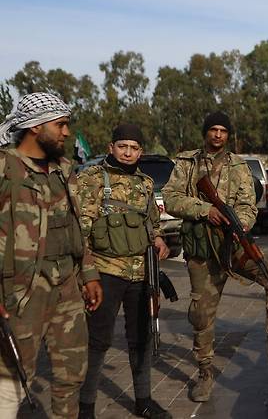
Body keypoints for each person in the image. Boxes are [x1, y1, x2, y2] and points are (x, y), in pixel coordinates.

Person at [162, 111, 268, 403]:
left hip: (232, 247)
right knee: (202, 315)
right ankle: (205, 373)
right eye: (213, 129)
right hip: (203, 252)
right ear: (205, 132)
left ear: (228, 135)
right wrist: (206, 210)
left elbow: (249, 203)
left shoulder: (240, 166)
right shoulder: (187, 163)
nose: (218, 135)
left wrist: (242, 223)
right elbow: (171, 198)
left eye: (223, 130)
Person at [0, 93, 103, 418]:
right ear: (35, 127)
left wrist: (89, 275)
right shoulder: (5, 168)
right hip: (20, 293)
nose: (66, 133)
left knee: (72, 375)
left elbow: (75, 226)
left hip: (67, 288)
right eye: (60, 125)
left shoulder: (63, 170)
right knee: (12, 380)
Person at [76, 124, 171, 419]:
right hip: (105, 272)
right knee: (98, 340)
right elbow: (80, 232)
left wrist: (158, 239)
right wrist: (87, 274)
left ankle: (143, 400)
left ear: (140, 151)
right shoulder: (91, 179)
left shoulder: (144, 183)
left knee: (140, 338)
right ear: (111, 148)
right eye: (122, 146)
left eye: (134, 147)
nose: (128, 152)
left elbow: (151, 222)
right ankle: (86, 406)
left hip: (141, 274)